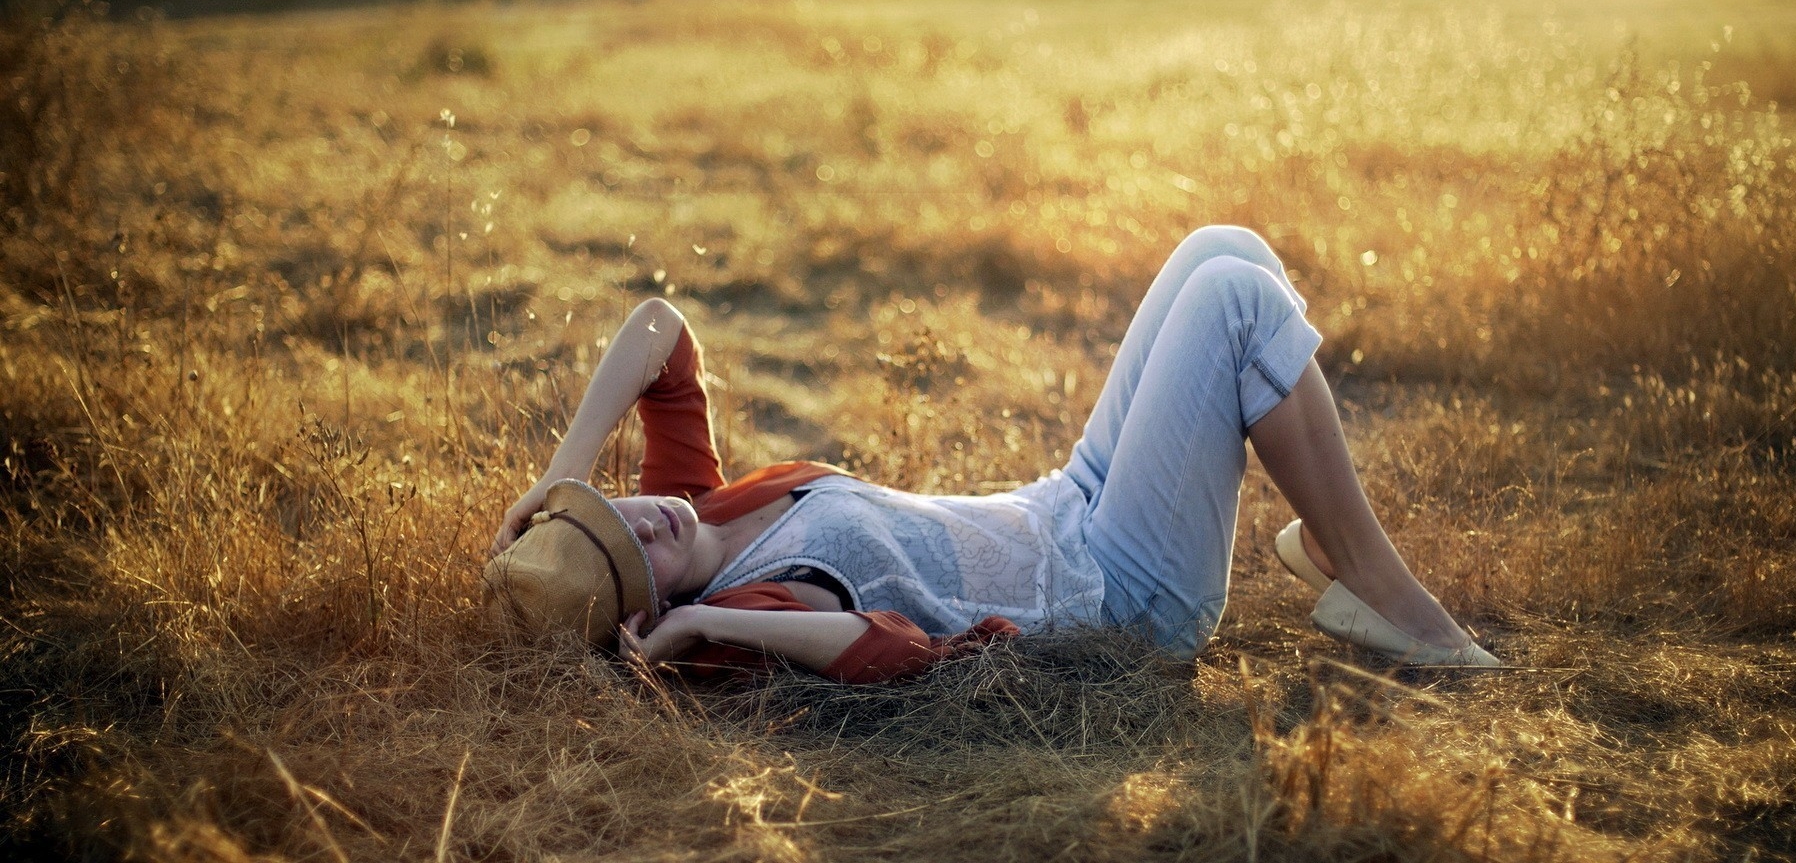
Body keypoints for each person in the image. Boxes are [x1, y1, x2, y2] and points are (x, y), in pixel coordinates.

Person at [484, 225, 1502, 682]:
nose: (648, 520)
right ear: (642, 612)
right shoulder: (746, 609)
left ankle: (1331, 543)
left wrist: (561, 474)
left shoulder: (691, 504)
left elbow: (660, 327)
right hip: (1120, 595)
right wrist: (695, 620)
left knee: (1219, 249)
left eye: (613, 507)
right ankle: (1380, 589)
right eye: (635, 552)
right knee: (1235, 305)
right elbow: (888, 651)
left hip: (1065, 506)